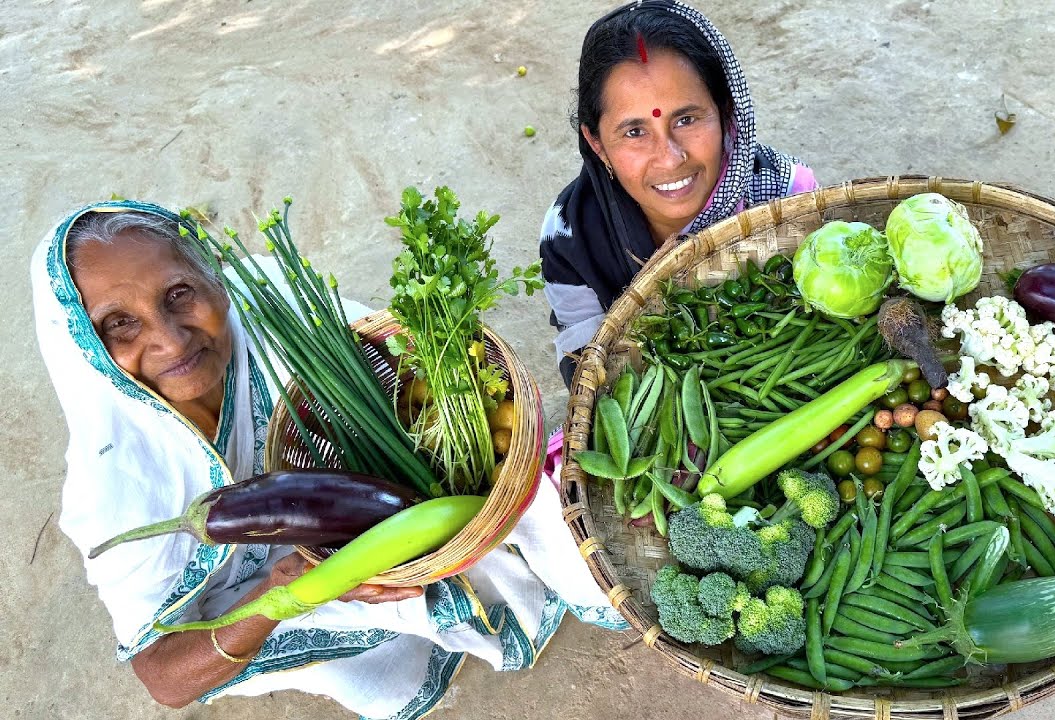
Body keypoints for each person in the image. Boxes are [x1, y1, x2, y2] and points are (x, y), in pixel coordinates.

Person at [33, 201, 625, 718]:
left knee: (507, 511)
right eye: (119, 325)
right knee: (357, 660)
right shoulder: (115, 484)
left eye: (179, 293)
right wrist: (280, 594)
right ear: (86, 351)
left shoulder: (282, 313)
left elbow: (396, 383)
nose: (169, 338)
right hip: (257, 594)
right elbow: (161, 676)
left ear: (213, 278)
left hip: (371, 510)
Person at [539, 0, 819, 387]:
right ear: (597, 142)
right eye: (634, 132)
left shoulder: (788, 197)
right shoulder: (570, 234)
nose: (670, 159)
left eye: (686, 119)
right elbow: (587, 369)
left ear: (725, 112)